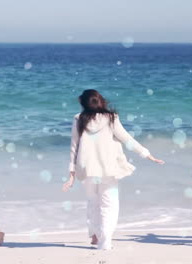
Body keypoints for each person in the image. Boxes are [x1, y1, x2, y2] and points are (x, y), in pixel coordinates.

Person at [62, 89, 164, 250]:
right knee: (109, 205)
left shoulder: (78, 119)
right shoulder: (111, 118)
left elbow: (74, 147)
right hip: (108, 169)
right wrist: (147, 154)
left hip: (87, 169)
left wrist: (71, 174)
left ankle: (97, 236)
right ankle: (105, 241)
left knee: (93, 204)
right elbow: (127, 139)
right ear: (101, 101)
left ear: (83, 104)